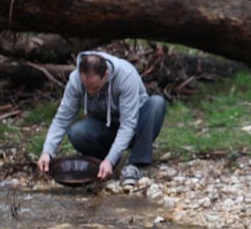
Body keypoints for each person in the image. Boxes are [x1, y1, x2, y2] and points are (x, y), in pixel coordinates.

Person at [37, 51, 166, 185]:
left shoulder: (126, 76)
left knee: (157, 103)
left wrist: (111, 159)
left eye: (95, 87)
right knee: (77, 133)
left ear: (106, 74)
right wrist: (47, 152)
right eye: (86, 87)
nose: (90, 92)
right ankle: (104, 162)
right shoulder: (75, 79)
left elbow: (128, 124)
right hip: (105, 126)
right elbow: (62, 119)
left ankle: (135, 164)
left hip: (137, 126)